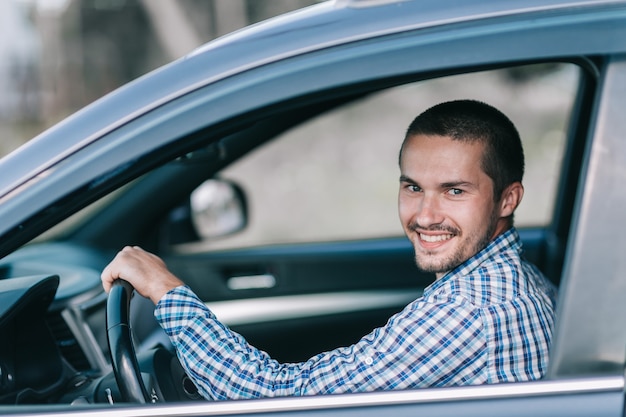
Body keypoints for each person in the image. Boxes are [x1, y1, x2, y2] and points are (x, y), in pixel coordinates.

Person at [101, 99, 557, 401]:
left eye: (454, 191)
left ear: (507, 199)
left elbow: (273, 401)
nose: (425, 214)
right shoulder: (518, 278)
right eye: (413, 187)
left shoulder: (470, 311)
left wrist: (165, 288)